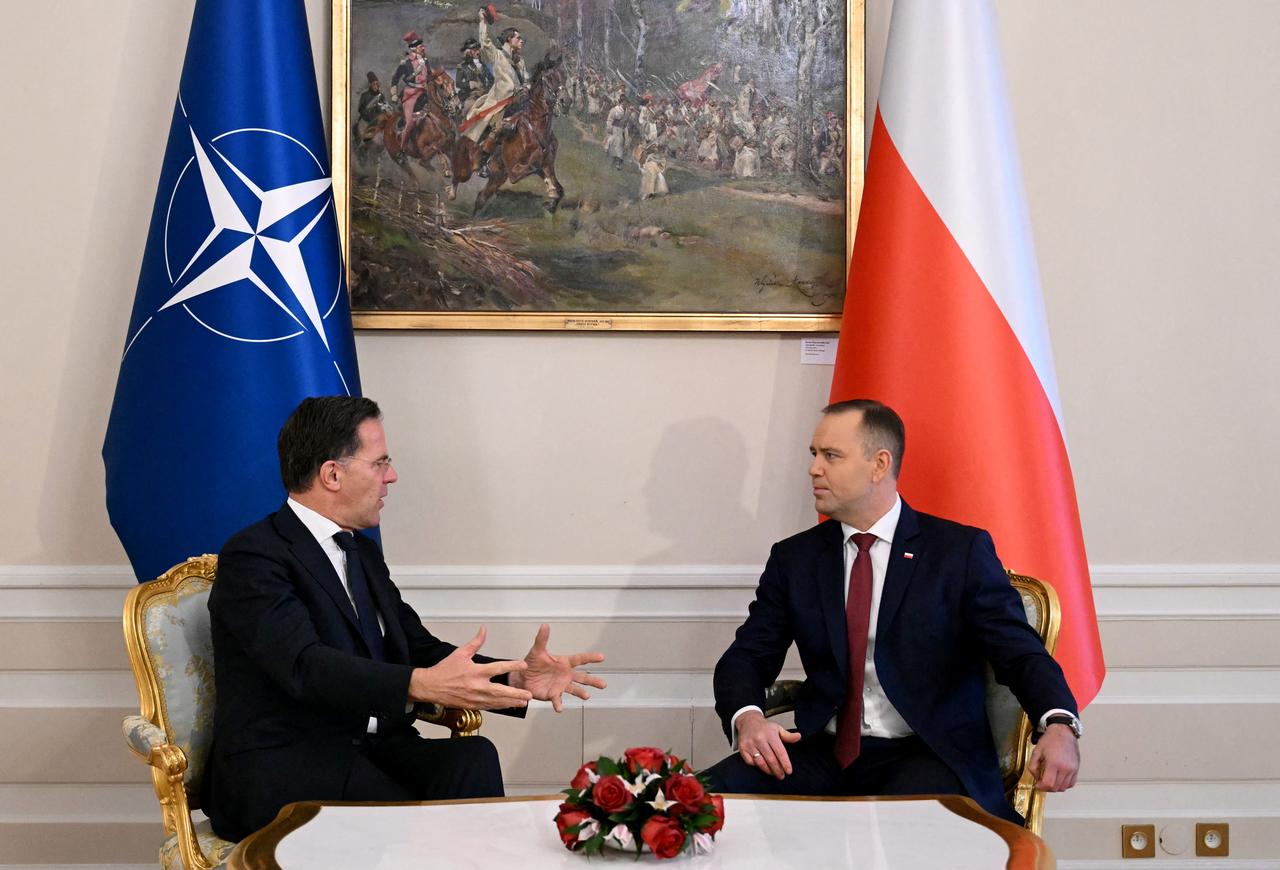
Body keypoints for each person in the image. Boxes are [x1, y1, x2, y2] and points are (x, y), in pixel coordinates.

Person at [202, 396, 606, 841]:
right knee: (406, 819)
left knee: (473, 759)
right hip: (287, 761)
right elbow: (303, 665)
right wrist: (416, 685)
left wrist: (515, 680)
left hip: (373, 747)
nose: (391, 476)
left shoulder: (361, 552)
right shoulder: (256, 555)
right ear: (332, 474)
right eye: (380, 464)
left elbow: (417, 648)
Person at [706, 399, 1081, 824]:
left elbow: (1020, 654)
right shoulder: (795, 558)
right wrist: (749, 719)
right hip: (821, 753)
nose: (814, 469)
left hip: (927, 753)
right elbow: (747, 657)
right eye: (814, 455)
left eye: (831, 456)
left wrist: (1059, 723)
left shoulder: (957, 553)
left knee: (898, 835)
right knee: (691, 804)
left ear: (879, 464)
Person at [460, 7, 530, 177]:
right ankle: (482, 162)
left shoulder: (520, 61)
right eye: (518, 38)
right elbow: (484, 42)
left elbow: (526, 80)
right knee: (499, 128)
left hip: (519, 102)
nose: (521, 41)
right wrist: (483, 22)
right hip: (501, 103)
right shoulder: (497, 55)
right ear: (508, 39)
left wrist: (526, 87)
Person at [390, 31, 430, 147]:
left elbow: (430, 76)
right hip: (410, 95)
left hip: (425, 93)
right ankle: (402, 147)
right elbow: (395, 79)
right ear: (413, 49)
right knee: (410, 122)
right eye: (420, 46)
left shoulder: (425, 61)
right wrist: (393, 94)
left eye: (422, 46)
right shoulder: (405, 64)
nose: (423, 48)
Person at [352, 72, 390, 157]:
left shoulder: (381, 96)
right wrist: (370, 114)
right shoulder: (364, 95)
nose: (376, 86)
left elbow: (385, 106)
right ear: (370, 85)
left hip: (379, 120)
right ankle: (362, 148)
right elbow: (360, 109)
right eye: (374, 84)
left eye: (377, 84)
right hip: (366, 119)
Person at [455, 36, 493, 119]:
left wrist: (489, 89)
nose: (478, 52)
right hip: (470, 97)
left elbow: (491, 80)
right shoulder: (461, 66)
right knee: (470, 110)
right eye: (475, 50)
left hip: (485, 95)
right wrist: (469, 84)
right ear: (468, 52)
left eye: (478, 49)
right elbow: (458, 83)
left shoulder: (483, 65)